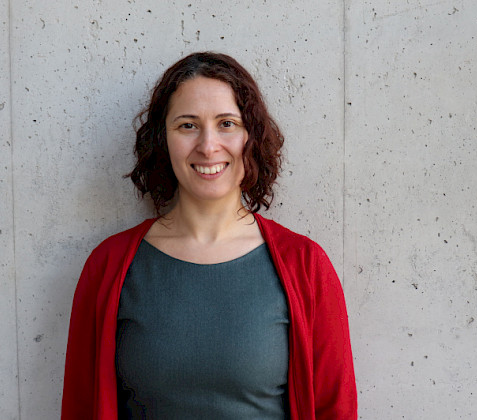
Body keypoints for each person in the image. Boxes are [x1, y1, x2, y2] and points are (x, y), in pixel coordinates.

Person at [61, 52, 357, 420]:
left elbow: (335, 409)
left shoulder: (306, 266)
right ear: (162, 139)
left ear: (251, 135)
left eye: (227, 123)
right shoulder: (108, 267)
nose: (208, 145)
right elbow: (80, 407)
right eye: (187, 125)